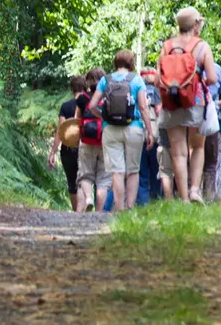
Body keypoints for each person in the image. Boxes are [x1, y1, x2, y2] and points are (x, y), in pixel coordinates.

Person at [157, 7, 218, 203]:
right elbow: (213, 78)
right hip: (196, 100)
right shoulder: (202, 46)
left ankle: (183, 198)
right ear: (195, 25)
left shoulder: (166, 47)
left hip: (172, 101)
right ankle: (194, 191)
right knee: (197, 147)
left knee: (178, 151)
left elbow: (159, 79)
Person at [86, 49, 155, 212]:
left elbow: (92, 105)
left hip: (110, 130)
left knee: (117, 172)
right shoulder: (137, 80)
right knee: (133, 171)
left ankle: (119, 208)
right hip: (134, 128)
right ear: (131, 63)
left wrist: (104, 117)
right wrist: (150, 131)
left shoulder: (105, 80)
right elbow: (144, 108)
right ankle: (130, 208)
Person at [75, 68, 111, 213]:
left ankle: (88, 198)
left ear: (88, 82)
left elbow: (75, 121)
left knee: (85, 175)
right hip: (106, 142)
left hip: (86, 142)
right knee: (103, 180)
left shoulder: (82, 98)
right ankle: (99, 214)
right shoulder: (108, 97)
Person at [48, 75, 86, 209]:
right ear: (85, 88)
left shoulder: (65, 106)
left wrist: (53, 152)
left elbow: (61, 130)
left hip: (68, 150)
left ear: (71, 90)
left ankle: (76, 213)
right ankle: (85, 210)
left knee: (72, 183)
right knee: (85, 181)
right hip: (86, 147)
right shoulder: (88, 104)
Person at [201, 60, 221, 202]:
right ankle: (208, 198)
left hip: (187, 121)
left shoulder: (185, 66)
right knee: (211, 163)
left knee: (190, 158)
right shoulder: (216, 69)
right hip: (210, 121)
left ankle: (190, 196)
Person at [136, 67, 163, 204]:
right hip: (156, 136)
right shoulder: (158, 92)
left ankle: (142, 204)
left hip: (139, 135)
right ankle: (155, 201)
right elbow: (159, 112)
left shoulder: (137, 90)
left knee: (142, 173)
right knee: (156, 172)